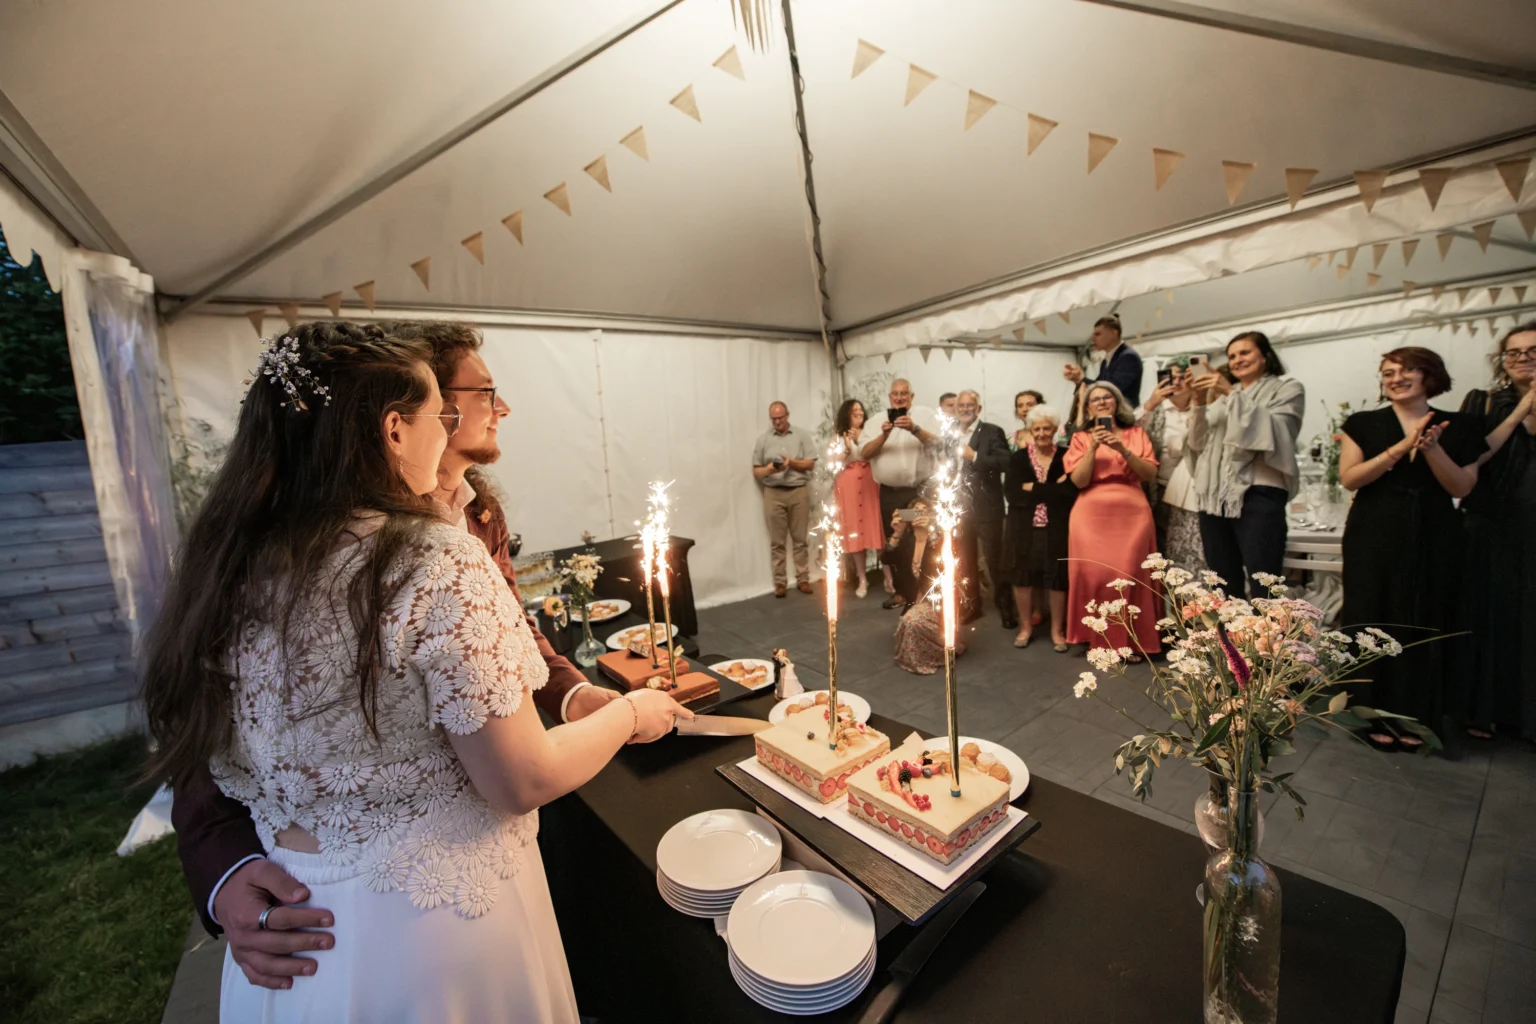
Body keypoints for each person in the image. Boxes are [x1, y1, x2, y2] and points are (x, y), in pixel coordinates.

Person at [142, 321, 692, 1022]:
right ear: (394, 429)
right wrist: (629, 712)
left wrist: (576, 692)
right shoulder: (432, 555)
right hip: (431, 932)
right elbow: (521, 778)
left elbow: (201, 731)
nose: (463, 421)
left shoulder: (227, 567)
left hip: (301, 933)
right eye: (446, 409)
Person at [1339, 347, 1484, 751]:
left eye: (1406, 370)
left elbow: (1461, 488)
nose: (1395, 377)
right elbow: (1350, 479)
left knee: (1424, 616)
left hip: (1435, 531)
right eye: (1387, 371)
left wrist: (1433, 449)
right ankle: (1367, 711)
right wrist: (1401, 448)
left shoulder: (1460, 426)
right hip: (1374, 528)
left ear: (1429, 376)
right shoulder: (1363, 423)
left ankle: (1417, 714)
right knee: (1370, 614)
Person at [1459, 322, 1536, 740]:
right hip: (1494, 524)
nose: (1523, 359)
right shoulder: (1486, 401)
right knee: (1493, 616)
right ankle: (1485, 711)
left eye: (1532, 351)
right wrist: (1523, 409)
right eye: (1514, 353)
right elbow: (1476, 455)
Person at [1187, 332, 1305, 598]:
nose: (1237, 360)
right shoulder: (1221, 395)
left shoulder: (1287, 388)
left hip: (1260, 493)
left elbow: (1279, 431)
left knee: (1265, 581)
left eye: (1244, 353)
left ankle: (1267, 639)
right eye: (1231, 356)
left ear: (1265, 356)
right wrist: (1197, 402)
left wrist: (1230, 393)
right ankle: (1228, 639)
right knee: (1222, 582)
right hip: (1215, 497)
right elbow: (1197, 443)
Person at [1063, 382, 1162, 656]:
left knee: (1129, 574)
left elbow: (1149, 475)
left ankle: (1133, 643)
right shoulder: (1080, 439)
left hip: (1132, 515)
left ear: (1117, 402)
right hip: (1090, 516)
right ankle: (1098, 639)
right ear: (1087, 408)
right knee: (1095, 575)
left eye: (1107, 396)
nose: (1102, 402)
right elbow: (1079, 481)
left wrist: (1122, 448)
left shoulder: (1136, 433)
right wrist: (1093, 448)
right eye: (1095, 399)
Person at [859, 379, 942, 608]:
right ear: (889, 397)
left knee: (920, 541)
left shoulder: (925, 416)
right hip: (891, 494)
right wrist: (884, 436)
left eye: (904, 393)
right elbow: (864, 453)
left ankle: (923, 593)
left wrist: (914, 429)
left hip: (919, 494)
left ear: (911, 396)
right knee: (894, 541)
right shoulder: (876, 421)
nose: (899, 398)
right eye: (895, 394)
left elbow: (939, 445)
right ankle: (902, 591)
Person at [1005, 405, 1077, 651]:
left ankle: (1057, 631)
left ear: (1056, 429)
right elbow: (1013, 494)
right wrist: (1051, 489)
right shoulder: (1018, 458)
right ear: (1030, 430)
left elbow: (1069, 493)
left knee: (1056, 578)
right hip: (1023, 528)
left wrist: (1033, 488)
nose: (1042, 432)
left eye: (1047, 428)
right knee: (1022, 578)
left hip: (1057, 527)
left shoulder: (1067, 456)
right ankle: (1026, 628)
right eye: (1037, 428)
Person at [953, 390, 1016, 628]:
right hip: (958, 507)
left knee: (994, 560)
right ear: (956, 408)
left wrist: (975, 456)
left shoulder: (992, 431)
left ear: (978, 409)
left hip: (987, 506)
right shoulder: (951, 434)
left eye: (971, 405)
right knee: (965, 559)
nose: (966, 408)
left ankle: (1005, 606)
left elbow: (1005, 463)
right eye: (962, 405)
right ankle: (972, 605)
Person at [887, 496, 968, 673]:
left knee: (910, 621)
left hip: (938, 601)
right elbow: (886, 558)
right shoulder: (907, 541)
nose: (920, 515)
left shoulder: (939, 542)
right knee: (909, 622)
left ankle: (947, 648)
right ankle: (920, 653)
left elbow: (947, 567)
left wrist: (932, 532)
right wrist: (897, 533)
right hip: (916, 601)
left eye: (925, 512)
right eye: (916, 511)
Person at [1139, 361, 1206, 571]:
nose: (1176, 382)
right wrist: (1149, 406)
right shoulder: (1155, 408)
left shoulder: (1203, 408)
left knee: (1192, 552)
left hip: (1195, 492)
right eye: (1171, 377)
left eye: (1182, 377)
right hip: (1159, 489)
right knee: (1163, 552)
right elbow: (1132, 435)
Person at [752, 401, 818, 597]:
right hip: (773, 492)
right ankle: (779, 582)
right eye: (773, 418)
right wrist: (770, 469)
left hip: (798, 491)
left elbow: (810, 464)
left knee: (800, 540)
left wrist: (792, 463)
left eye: (780, 417)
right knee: (777, 542)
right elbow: (756, 471)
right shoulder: (763, 440)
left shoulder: (801, 436)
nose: (777, 421)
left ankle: (803, 579)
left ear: (787, 415)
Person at [830, 398, 885, 598]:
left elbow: (877, 454)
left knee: (877, 529)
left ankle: (889, 577)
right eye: (854, 410)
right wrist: (846, 448)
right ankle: (863, 578)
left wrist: (861, 439)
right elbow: (832, 463)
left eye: (861, 410)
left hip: (871, 482)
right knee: (854, 531)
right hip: (849, 485)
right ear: (846, 414)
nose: (859, 412)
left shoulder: (871, 433)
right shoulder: (837, 438)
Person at [1064, 317, 1143, 426]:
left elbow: (1111, 390)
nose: (1093, 339)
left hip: (1124, 421)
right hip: (1111, 420)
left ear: (1114, 334)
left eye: (1098, 334)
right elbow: (1097, 387)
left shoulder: (1128, 357)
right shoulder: (1107, 360)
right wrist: (1079, 381)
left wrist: (1082, 379)